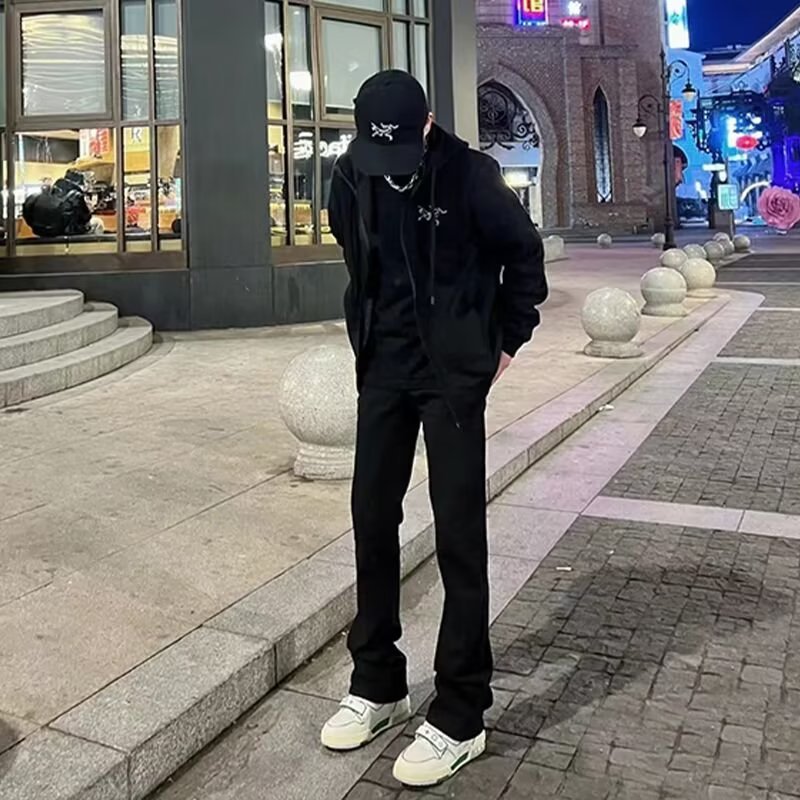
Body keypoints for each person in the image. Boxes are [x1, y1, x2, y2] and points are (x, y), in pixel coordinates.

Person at [320, 70, 548, 788]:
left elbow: (524, 256)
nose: (387, 165)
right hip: (384, 372)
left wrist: (504, 341)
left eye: (401, 148)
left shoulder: (471, 177)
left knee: (458, 535)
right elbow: (357, 258)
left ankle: (461, 712)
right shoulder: (350, 174)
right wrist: (368, 340)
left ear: (426, 127)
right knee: (370, 518)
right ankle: (377, 682)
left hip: (451, 379)